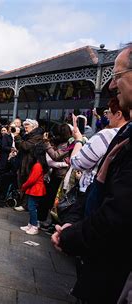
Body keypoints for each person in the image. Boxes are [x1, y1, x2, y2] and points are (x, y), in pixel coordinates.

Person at [51, 43, 132, 303]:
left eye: (118, 76)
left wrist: (70, 236)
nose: (111, 85)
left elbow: (119, 214)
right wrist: (75, 224)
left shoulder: (113, 136)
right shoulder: (123, 134)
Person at [13, 119, 44, 211]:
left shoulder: (37, 137)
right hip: (24, 162)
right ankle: (22, 203)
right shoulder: (29, 135)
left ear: (33, 127)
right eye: (25, 127)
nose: (25, 129)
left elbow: (25, 146)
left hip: (29, 164)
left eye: (27, 127)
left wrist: (18, 137)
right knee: (22, 182)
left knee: (27, 184)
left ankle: (25, 205)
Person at [19, 144, 47, 235]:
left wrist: (24, 186)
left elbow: (32, 179)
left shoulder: (37, 165)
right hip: (36, 189)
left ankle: (34, 226)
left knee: (32, 207)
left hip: (35, 189)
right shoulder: (39, 164)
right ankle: (31, 224)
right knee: (32, 207)